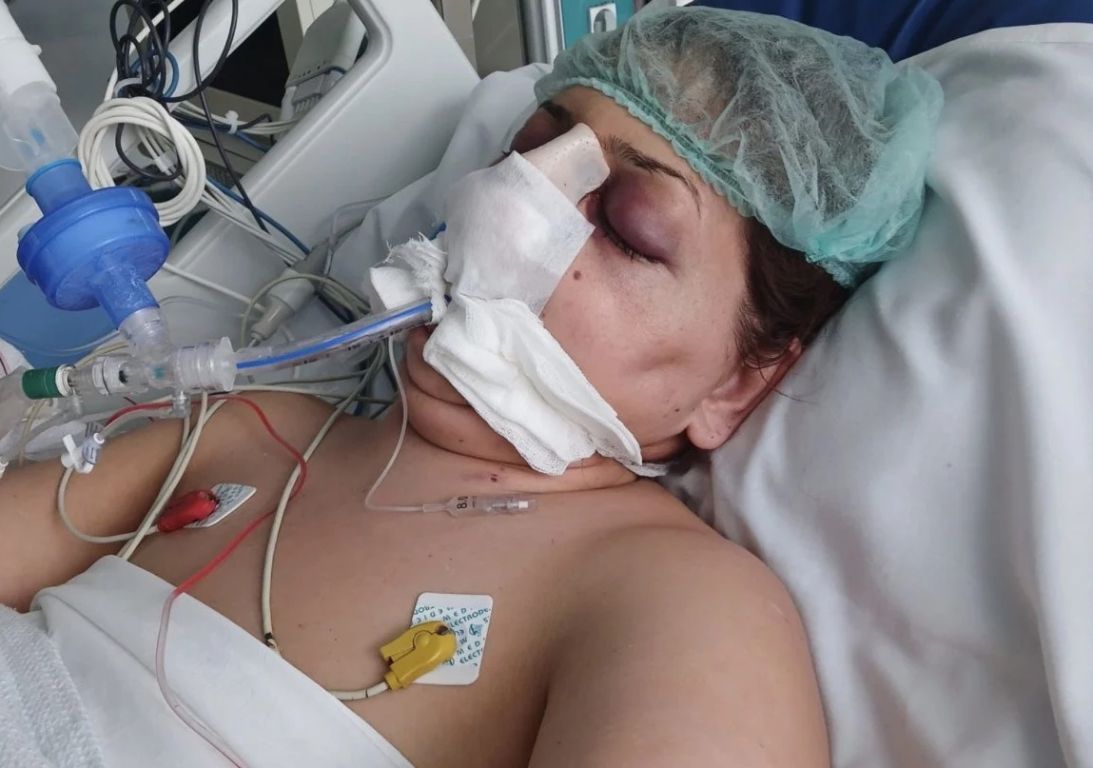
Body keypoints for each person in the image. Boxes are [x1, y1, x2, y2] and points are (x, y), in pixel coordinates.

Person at [0, 7, 940, 767]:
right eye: (520, 158)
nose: (507, 213)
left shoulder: (675, 602)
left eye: (626, 228)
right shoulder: (243, 426)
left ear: (736, 383)